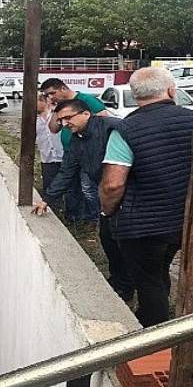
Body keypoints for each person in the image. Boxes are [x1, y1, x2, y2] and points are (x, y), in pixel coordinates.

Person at [100, 67, 193, 327]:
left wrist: (107, 212)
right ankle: (155, 318)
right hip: (180, 221)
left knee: (149, 281)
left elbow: (112, 185)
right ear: (171, 90)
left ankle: (156, 336)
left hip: (140, 228)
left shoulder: (126, 129)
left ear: (135, 94)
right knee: (158, 271)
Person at [32, 99, 134, 301]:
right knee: (108, 238)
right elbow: (66, 172)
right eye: (60, 120)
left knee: (127, 243)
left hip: (130, 193)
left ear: (86, 114)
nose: (64, 124)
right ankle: (120, 281)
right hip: (106, 194)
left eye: (68, 118)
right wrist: (48, 199)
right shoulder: (77, 140)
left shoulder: (113, 127)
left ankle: (130, 284)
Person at [40, 78, 110, 222]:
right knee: (71, 186)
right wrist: (55, 109)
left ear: (63, 88)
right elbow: (53, 129)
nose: (50, 97)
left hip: (89, 152)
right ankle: (74, 218)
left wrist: (89, 139)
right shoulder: (59, 108)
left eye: (52, 93)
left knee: (88, 187)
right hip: (70, 150)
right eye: (47, 95)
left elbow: (103, 123)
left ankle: (95, 219)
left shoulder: (86, 100)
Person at [35, 93, 64, 201]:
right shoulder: (34, 119)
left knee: (66, 183)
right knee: (49, 184)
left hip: (62, 155)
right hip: (47, 157)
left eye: (35, 102)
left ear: (44, 102)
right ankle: (52, 205)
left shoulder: (56, 114)